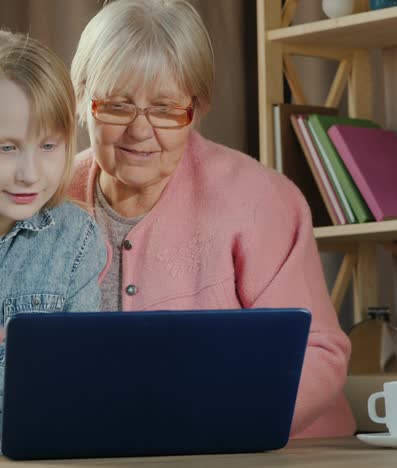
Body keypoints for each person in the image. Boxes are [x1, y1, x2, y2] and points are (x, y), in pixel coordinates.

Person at [69, 0, 355, 438]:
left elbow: (317, 351)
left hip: (270, 452)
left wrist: (217, 426)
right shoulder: (46, 200)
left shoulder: (260, 200)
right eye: (117, 106)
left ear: (197, 108)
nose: (140, 131)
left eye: (165, 109)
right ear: (82, 98)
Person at [0, 30, 107, 414]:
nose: (29, 174)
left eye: (48, 145)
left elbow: (78, 384)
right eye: (7, 147)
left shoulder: (76, 238)